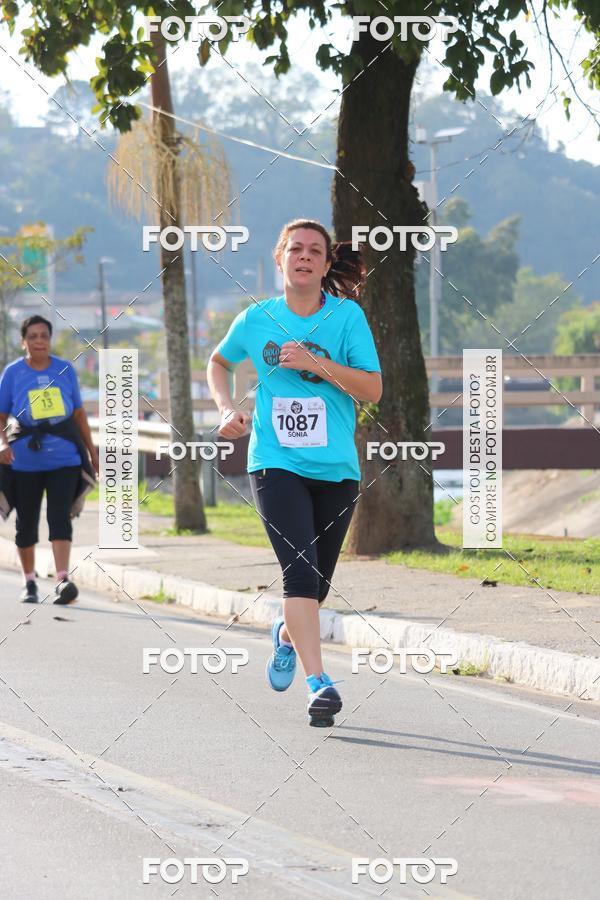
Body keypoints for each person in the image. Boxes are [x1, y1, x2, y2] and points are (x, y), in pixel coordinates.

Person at [207, 219, 382, 726]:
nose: (304, 257)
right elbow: (219, 361)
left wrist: (316, 363)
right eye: (295, 249)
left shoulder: (347, 318)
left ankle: (286, 635)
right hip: (275, 464)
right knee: (299, 575)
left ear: (327, 265)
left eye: (315, 251)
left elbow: (372, 389)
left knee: (318, 584)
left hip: (337, 470)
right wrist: (225, 409)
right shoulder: (256, 318)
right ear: (279, 259)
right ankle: (318, 684)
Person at [0, 315, 99, 604]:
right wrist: (1, 443)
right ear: (24, 341)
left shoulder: (65, 370)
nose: (39, 341)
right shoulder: (13, 372)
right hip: (24, 461)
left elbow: (78, 414)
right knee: (26, 523)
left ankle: (62, 580)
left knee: (60, 517)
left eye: (44, 336)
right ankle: (29, 582)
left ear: (50, 339)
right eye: (33, 336)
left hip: (64, 458)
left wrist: (91, 452)